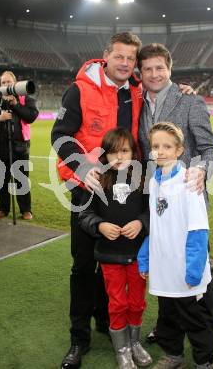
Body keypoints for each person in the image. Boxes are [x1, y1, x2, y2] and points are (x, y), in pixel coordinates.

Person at [51, 32, 195, 369]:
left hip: (128, 187)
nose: (126, 64)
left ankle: (107, 320)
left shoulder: (135, 88)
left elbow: (160, 86)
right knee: (84, 265)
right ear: (106, 56)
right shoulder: (80, 89)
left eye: (131, 59)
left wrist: (182, 90)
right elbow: (60, 135)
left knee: (118, 257)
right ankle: (78, 339)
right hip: (89, 186)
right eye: (120, 57)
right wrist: (84, 167)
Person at [138, 43, 213, 345]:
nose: (154, 74)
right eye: (148, 69)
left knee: (199, 278)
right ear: (141, 73)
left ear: (169, 69)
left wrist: (200, 171)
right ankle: (166, 332)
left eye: (160, 67)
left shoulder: (190, 100)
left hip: (188, 202)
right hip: (157, 200)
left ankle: (205, 343)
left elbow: (210, 148)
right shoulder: (138, 102)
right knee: (164, 268)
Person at [138, 122, 213, 369]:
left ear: (179, 150)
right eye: (155, 146)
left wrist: (194, 269)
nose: (160, 151)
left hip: (186, 270)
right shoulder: (154, 182)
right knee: (168, 318)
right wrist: (145, 257)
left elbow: (198, 228)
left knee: (196, 320)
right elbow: (157, 224)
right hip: (165, 270)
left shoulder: (189, 180)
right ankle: (174, 356)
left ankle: (204, 362)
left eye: (167, 146)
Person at [78, 127, 152, 369]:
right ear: (104, 155)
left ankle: (134, 343)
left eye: (124, 151)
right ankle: (121, 349)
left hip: (138, 255)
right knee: (118, 303)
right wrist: (100, 226)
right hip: (110, 256)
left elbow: (153, 212)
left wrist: (140, 222)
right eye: (112, 152)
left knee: (137, 302)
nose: (118, 157)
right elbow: (84, 215)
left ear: (133, 153)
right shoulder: (96, 179)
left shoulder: (143, 179)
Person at [0, 71, 38, 220]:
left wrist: (15, 105)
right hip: (0, 147)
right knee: (1, 180)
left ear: (15, 84)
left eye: (9, 82)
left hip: (20, 147)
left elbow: (31, 116)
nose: (6, 85)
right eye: (3, 83)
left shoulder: (25, 99)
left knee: (21, 180)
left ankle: (25, 210)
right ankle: (3, 208)